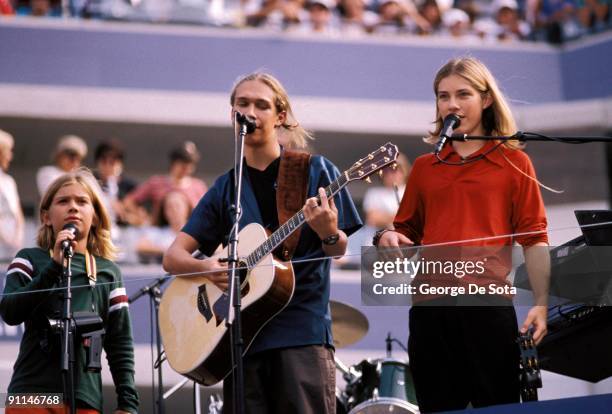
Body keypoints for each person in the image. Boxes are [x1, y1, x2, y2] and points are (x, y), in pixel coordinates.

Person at [162, 72, 362, 414]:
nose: (250, 111)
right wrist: (207, 268)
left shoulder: (315, 171)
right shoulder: (226, 187)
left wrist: (328, 230)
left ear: (280, 116)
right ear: (232, 114)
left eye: (261, 105)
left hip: (302, 332)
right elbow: (173, 257)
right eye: (242, 104)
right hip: (242, 338)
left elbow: (338, 248)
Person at [376, 57, 550, 412]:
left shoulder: (516, 162)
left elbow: (535, 238)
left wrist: (542, 303)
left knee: (497, 406)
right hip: (429, 308)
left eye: (463, 94)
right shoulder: (425, 167)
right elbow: (405, 230)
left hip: (487, 304)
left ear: (486, 99)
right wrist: (386, 238)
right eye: (443, 96)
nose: (451, 104)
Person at [0, 169, 139, 414]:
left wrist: (128, 404)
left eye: (82, 201)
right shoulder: (29, 258)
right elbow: (10, 311)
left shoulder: (109, 272)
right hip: (31, 395)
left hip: (84, 399)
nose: (73, 207)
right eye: (63, 201)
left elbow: (120, 344)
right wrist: (53, 267)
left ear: (95, 216)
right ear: (46, 217)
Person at [124, 140, 207, 230]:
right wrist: (142, 217)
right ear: (174, 163)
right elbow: (129, 201)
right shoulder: (156, 183)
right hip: (159, 233)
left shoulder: (199, 186)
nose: (186, 168)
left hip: (189, 234)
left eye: (190, 164)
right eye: (183, 163)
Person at [92, 139, 141, 227]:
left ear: (120, 164)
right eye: (104, 161)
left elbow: (142, 219)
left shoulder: (130, 187)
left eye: (112, 162)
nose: (107, 166)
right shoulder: (90, 182)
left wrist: (124, 214)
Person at [0, 129, 25, 261]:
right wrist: (5, 239)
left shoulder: (9, 181)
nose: (10, 156)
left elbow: (18, 212)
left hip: (13, 245)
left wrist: (17, 237)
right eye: (8, 151)